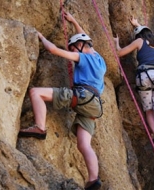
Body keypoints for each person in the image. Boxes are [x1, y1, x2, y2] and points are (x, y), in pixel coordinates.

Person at [18, 12, 106, 190]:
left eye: (73, 47)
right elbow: (86, 39)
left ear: (80, 46)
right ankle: (93, 179)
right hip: (94, 106)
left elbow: (54, 50)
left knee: (36, 93)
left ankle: (40, 127)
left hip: (82, 97)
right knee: (84, 144)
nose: (72, 50)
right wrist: (74, 21)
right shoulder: (99, 59)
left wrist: (41, 36)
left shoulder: (83, 56)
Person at [113, 16, 154, 156]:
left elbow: (119, 53)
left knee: (149, 110)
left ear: (139, 35)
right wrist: (137, 24)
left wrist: (116, 43)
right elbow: (145, 32)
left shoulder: (139, 40)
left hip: (144, 75)